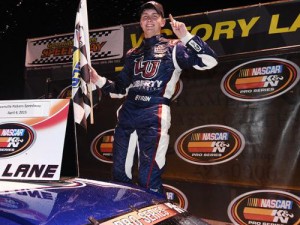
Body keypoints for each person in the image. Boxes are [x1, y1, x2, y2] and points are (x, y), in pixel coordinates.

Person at [90, 1, 218, 195]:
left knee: (149, 178)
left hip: (154, 114)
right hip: (128, 114)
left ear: (162, 22)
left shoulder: (175, 48)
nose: (149, 20)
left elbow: (210, 61)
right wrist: (96, 79)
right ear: (140, 24)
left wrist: (185, 36)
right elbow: (119, 90)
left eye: (154, 16)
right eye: (144, 17)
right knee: (119, 174)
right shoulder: (132, 54)